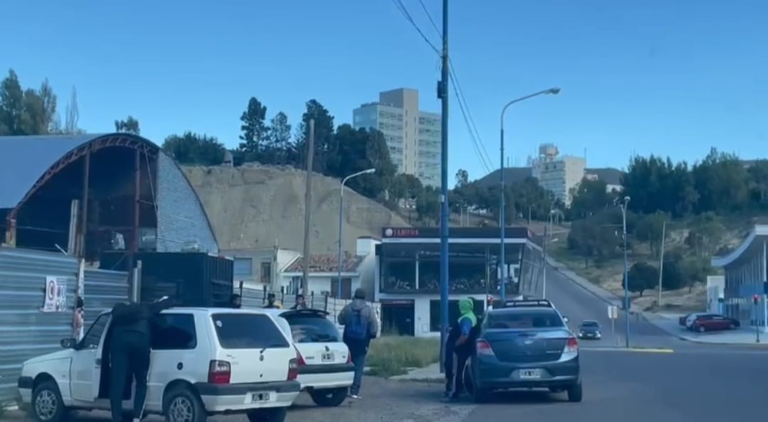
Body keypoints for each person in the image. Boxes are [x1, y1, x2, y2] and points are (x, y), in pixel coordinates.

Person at [109, 296, 174, 422]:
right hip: (141, 340)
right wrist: (168, 300)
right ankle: (136, 417)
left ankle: (116, 418)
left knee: (117, 383)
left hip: (119, 342)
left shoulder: (117, 311)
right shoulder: (145, 309)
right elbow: (161, 305)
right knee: (141, 381)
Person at [337, 288, 378, 399]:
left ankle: (343, 388)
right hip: (362, 342)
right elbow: (374, 329)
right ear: (364, 297)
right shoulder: (368, 310)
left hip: (348, 341)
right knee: (358, 367)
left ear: (354, 296)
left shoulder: (348, 308)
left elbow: (340, 320)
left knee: (347, 364)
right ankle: (354, 391)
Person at [444, 297, 478, 400]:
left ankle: (454, 393)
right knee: (459, 370)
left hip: (460, 350)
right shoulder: (470, 316)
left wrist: (455, 345)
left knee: (455, 371)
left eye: (460, 304)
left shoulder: (466, 318)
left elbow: (464, 335)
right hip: (463, 350)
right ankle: (458, 391)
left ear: (463, 305)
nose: (458, 306)